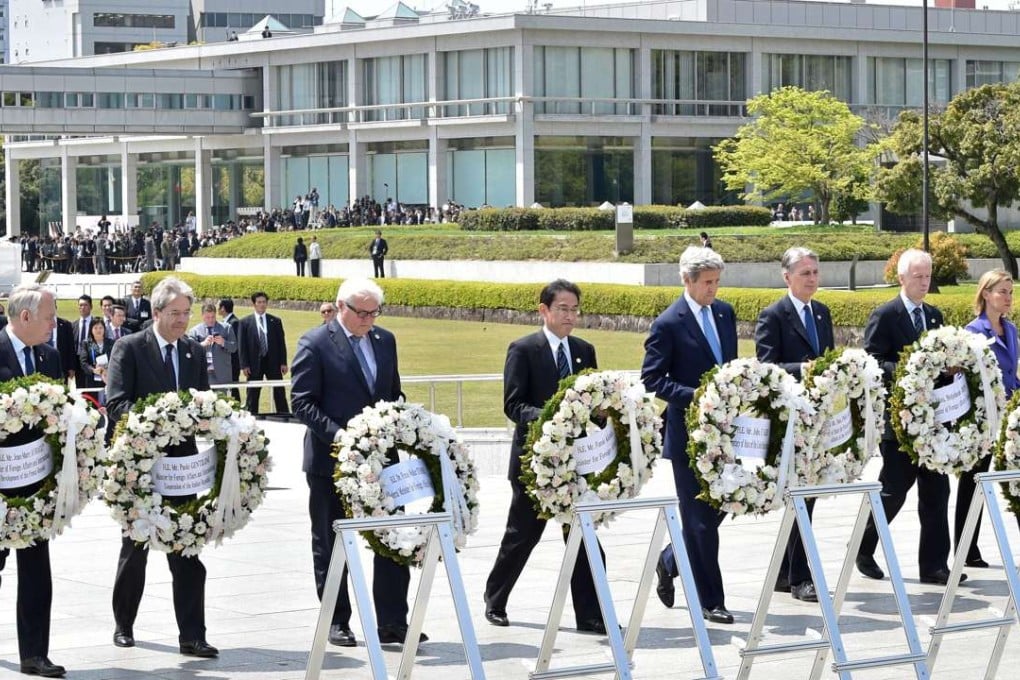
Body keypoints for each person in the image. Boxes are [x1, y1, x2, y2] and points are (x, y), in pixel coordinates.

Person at [291, 278, 422, 648]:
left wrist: (403, 420)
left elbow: (392, 392)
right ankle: (337, 621)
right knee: (331, 542)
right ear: (340, 306)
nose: (368, 320)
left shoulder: (386, 340)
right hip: (332, 461)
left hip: (384, 461)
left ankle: (394, 621)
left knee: (394, 537)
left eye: (373, 313)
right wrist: (343, 439)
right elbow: (301, 402)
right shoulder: (315, 343)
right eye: (360, 312)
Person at [483, 280, 607, 633]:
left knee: (582, 537)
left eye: (575, 309)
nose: (570, 316)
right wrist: (556, 417)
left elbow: (593, 400)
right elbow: (513, 404)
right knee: (522, 535)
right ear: (544, 310)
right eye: (563, 309)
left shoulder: (585, 350)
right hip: (533, 464)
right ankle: (495, 599)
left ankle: (590, 614)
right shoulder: (523, 349)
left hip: (576, 464)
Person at [104, 276, 217, 658]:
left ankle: (193, 634)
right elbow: (117, 404)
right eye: (175, 314)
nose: (182, 321)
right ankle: (124, 625)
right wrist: (162, 419)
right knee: (134, 550)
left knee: (186, 547)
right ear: (156, 312)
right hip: (139, 467)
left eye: (187, 313)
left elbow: (203, 403)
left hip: (182, 469)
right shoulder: (129, 347)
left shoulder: (194, 352)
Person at [856, 249, 964, 585]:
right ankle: (863, 546)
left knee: (936, 493)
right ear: (901, 278)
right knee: (894, 490)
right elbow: (872, 362)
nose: (924, 281)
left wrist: (949, 370)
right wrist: (910, 371)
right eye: (917, 276)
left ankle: (934, 566)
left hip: (933, 423)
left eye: (928, 275)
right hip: (899, 422)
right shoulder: (885, 315)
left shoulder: (935, 315)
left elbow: (944, 360)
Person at [643, 246, 738, 625]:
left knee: (725, 505)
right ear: (687, 280)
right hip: (687, 437)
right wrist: (696, 396)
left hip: (726, 433)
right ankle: (710, 600)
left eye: (717, 282)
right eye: (707, 283)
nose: (713, 290)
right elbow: (652, 378)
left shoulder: (725, 313)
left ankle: (669, 560)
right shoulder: (668, 323)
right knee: (698, 519)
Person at [754, 247, 835, 603]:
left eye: (815, 272)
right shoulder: (773, 315)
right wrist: (801, 370)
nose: (812, 279)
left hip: (816, 419)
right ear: (787, 277)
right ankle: (800, 577)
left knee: (806, 498)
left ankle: (787, 574)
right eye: (805, 273)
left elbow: (828, 361)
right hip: (787, 422)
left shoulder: (822, 313)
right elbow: (766, 368)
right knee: (799, 497)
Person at [0, 284, 66, 677]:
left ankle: (34, 655)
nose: (54, 324)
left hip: (36, 485)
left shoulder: (50, 357)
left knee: (37, 570)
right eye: (49, 316)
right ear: (24, 317)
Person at [958, 270, 1019, 565]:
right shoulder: (973, 332)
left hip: (1010, 417)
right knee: (974, 479)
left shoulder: (1012, 330)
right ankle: (966, 549)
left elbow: (1012, 374)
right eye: (1002, 292)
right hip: (982, 419)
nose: (1008, 298)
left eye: (1010, 292)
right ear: (985, 294)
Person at [237, 292, 289, 415]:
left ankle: (284, 415)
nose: (262, 305)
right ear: (254, 304)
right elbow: (242, 346)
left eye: (264, 302)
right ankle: (251, 416)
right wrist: (244, 365)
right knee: (253, 394)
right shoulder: (245, 322)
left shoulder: (275, 321)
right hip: (254, 364)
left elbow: (281, 343)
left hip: (273, 362)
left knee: (279, 392)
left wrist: (283, 362)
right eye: (259, 302)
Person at [188, 303, 238, 387]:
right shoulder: (195, 331)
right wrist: (202, 344)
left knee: (223, 400)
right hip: (202, 374)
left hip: (223, 375)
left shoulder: (227, 328)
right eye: (208, 317)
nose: (211, 320)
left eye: (213, 317)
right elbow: (189, 351)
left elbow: (234, 348)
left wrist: (223, 342)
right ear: (202, 316)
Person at [78, 318, 114, 404]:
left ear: (104, 329)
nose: (98, 330)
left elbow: (115, 360)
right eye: (95, 328)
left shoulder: (111, 343)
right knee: (94, 405)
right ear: (91, 329)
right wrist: (93, 370)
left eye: (101, 328)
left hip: (108, 379)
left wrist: (108, 369)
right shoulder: (86, 343)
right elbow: (83, 362)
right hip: (92, 380)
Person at [217, 299, 242, 402]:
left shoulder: (234, 323)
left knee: (233, 388)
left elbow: (236, 344)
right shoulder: (226, 322)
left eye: (218, 306)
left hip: (232, 362)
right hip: (227, 362)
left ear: (222, 308)